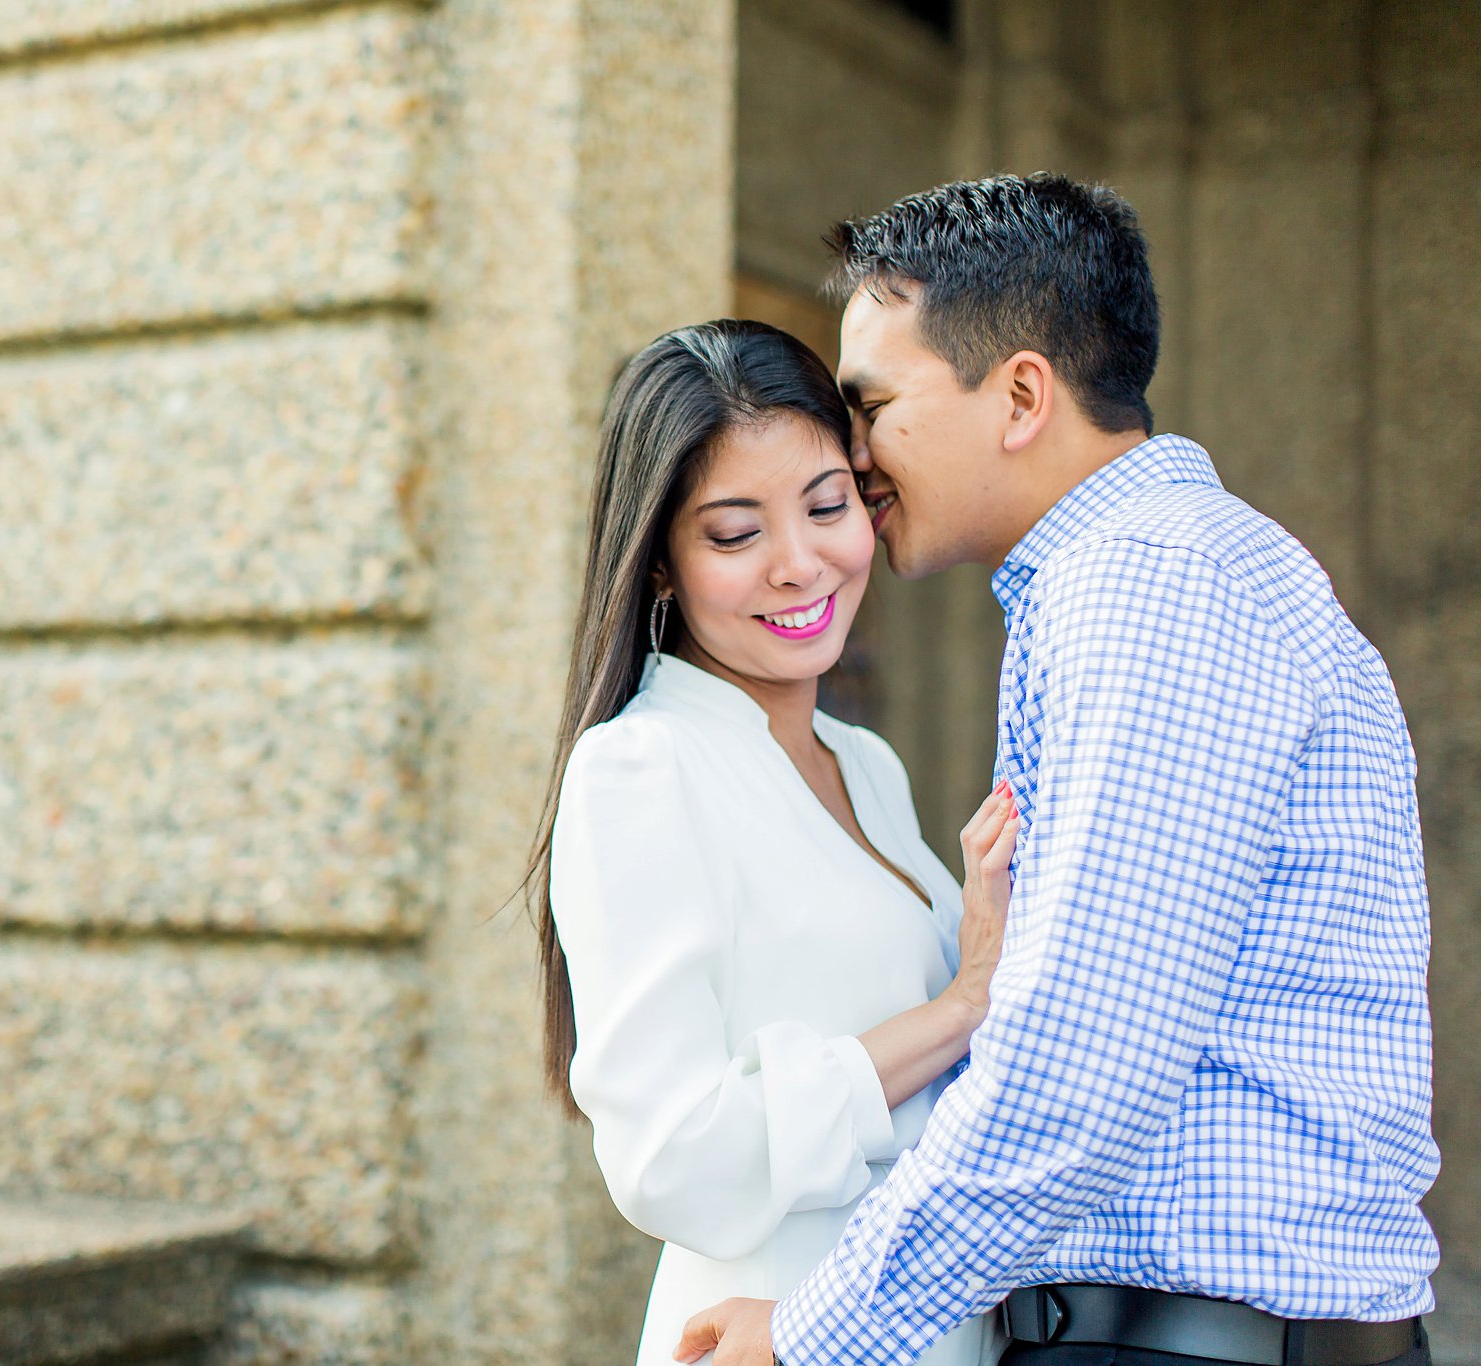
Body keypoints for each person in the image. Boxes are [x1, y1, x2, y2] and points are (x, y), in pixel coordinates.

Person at [674, 174, 1438, 1366]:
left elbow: (1079, 1064)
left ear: (1020, 393)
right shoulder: (1167, 572)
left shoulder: (1147, 584)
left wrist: (816, 1332)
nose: (853, 457)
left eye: (871, 405)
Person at [523, 318, 1017, 1366]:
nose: (798, 565)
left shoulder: (864, 763)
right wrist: (958, 1007)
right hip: (764, 1326)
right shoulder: (640, 769)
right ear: (658, 565)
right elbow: (673, 1161)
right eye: (734, 533)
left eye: (826, 506)